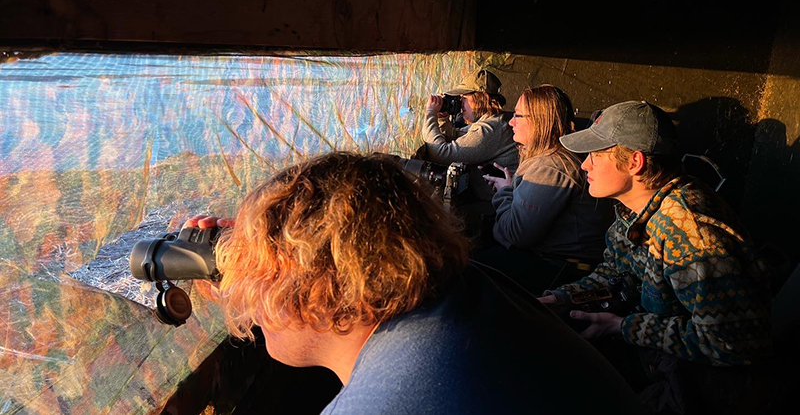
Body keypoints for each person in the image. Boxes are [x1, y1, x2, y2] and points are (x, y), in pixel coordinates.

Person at [188, 152, 643, 415]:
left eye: (264, 274)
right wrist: (249, 274)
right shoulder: (468, 287)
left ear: (319, 292)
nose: (253, 288)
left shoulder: (384, 405)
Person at [538, 101, 773, 413]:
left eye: (595, 155)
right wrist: (560, 299)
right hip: (656, 354)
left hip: (704, 384)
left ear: (634, 162)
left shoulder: (687, 231)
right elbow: (614, 273)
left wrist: (624, 326)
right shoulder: (634, 207)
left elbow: (731, 343)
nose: (584, 166)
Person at [483, 85, 611, 264]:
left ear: (539, 121)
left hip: (560, 266)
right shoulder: (552, 158)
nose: (511, 122)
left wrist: (504, 191)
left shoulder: (551, 166)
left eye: (517, 115)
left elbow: (516, 234)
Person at [422, 68, 518, 201]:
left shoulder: (491, 128)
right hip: (496, 199)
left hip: (496, 205)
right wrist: (443, 119)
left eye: (464, 98)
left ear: (483, 97)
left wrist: (430, 112)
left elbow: (440, 154)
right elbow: (459, 136)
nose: (461, 104)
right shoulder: (495, 120)